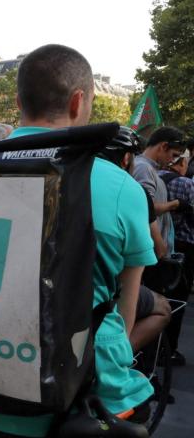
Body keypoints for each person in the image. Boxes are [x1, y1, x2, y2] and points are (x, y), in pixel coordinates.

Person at [0, 44, 155, 436]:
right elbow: (126, 308)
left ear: (16, 101)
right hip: (82, 403)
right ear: (79, 101)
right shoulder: (119, 187)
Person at [96, 127, 173, 353]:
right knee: (163, 307)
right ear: (127, 158)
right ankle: (122, 357)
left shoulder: (67, 176)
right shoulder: (132, 190)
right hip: (106, 289)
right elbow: (155, 252)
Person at [158, 148, 193, 366]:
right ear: (181, 163)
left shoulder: (158, 177)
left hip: (163, 244)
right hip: (185, 248)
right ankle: (168, 349)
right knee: (178, 300)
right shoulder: (186, 185)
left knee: (160, 294)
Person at [133, 126, 186, 258]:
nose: (172, 161)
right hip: (151, 254)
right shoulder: (143, 168)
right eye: (174, 155)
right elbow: (145, 209)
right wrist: (174, 204)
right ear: (163, 146)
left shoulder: (149, 168)